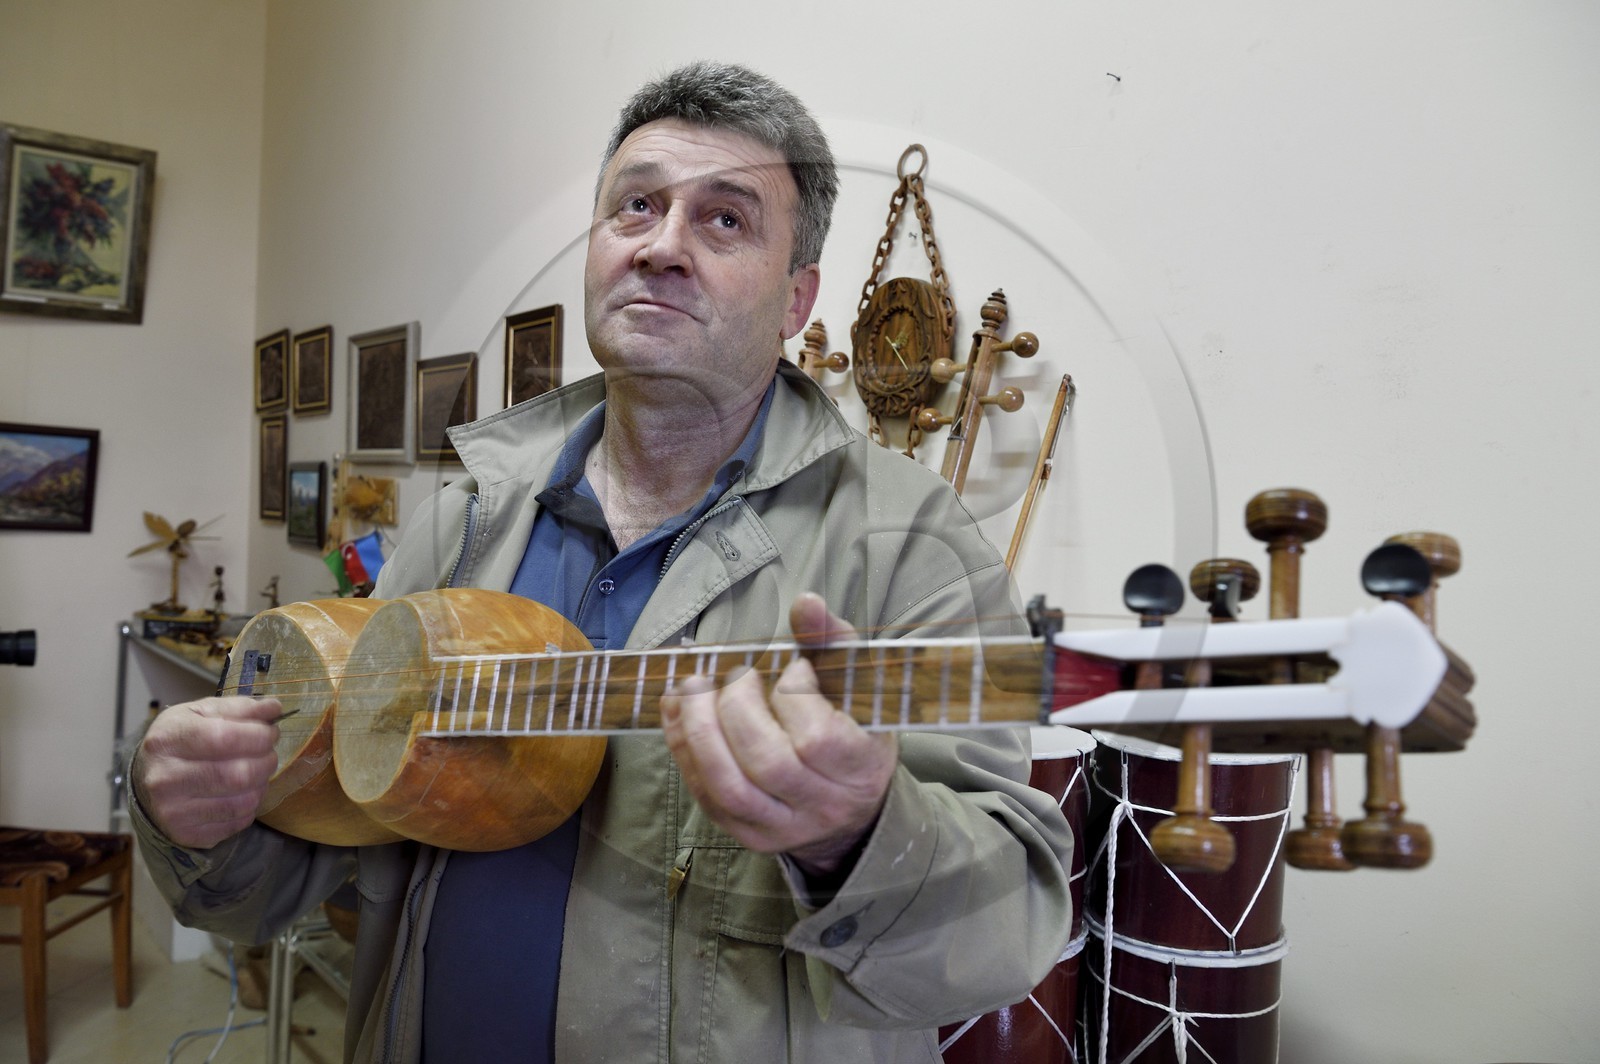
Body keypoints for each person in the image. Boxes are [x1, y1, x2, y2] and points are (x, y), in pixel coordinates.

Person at [131, 62, 1074, 1063]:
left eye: (724, 220)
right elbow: (293, 866)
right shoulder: (464, 520)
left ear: (796, 300)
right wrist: (201, 814)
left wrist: (860, 835)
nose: (662, 246)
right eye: (636, 206)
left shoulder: (911, 542)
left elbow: (1004, 936)